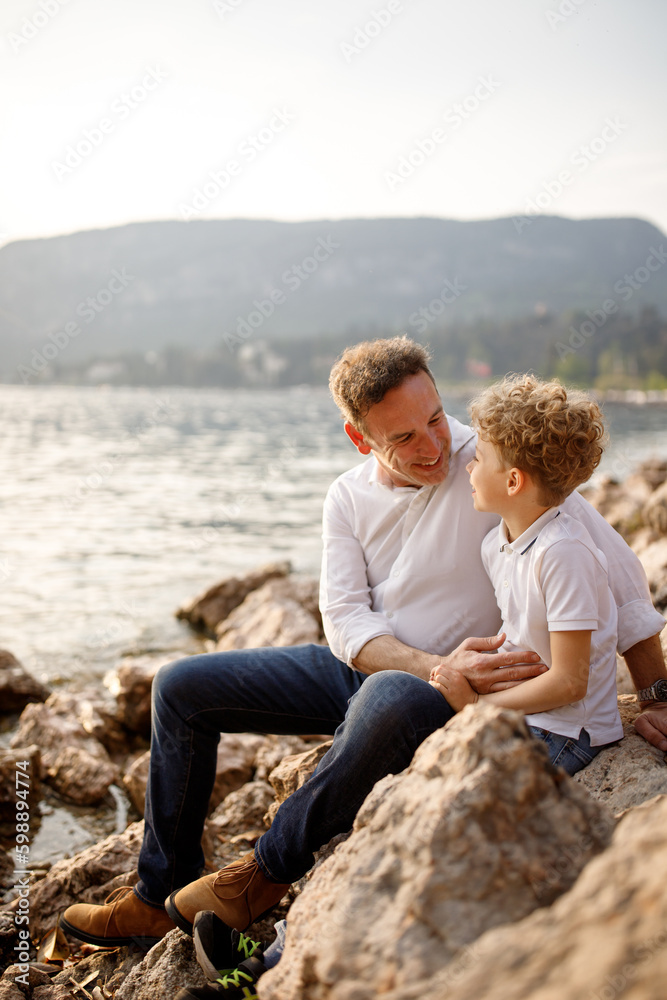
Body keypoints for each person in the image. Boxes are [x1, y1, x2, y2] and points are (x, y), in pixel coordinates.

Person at [60, 337, 667, 949]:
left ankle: (258, 879)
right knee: (179, 687)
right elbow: (344, 621)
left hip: (428, 698)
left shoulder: (493, 463)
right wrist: (435, 666)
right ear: (360, 439)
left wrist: (657, 694)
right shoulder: (346, 496)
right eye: (403, 438)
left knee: (387, 698)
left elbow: (615, 569)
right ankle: (156, 895)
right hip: (385, 668)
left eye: (434, 419)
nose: (433, 446)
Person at [429, 374, 623, 773]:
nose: (468, 465)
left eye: (479, 458)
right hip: (524, 715)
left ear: (514, 481)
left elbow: (571, 682)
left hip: (566, 732)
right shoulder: (496, 544)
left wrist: (478, 708)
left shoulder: (563, 553)